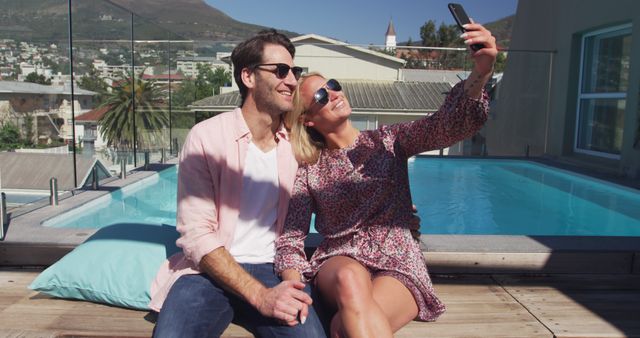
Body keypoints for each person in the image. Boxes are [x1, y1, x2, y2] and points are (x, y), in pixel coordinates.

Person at [275, 23, 497, 337]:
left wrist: (481, 73)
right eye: (322, 95)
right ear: (307, 119)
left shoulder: (389, 141)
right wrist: (292, 284)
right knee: (351, 279)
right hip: (340, 259)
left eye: (334, 85)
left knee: (341, 329)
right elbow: (291, 238)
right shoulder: (309, 168)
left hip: (398, 261)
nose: (335, 93)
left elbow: (446, 126)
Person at [150, 29, 326, 338]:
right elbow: (197, 234)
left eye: (295, 71)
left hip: (275, 270)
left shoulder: (297, 145)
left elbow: (336, 195)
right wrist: (260, 297)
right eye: (281, 71)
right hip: (209, 271)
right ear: (248, 76)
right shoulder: (207, 137)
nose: (293, 81)